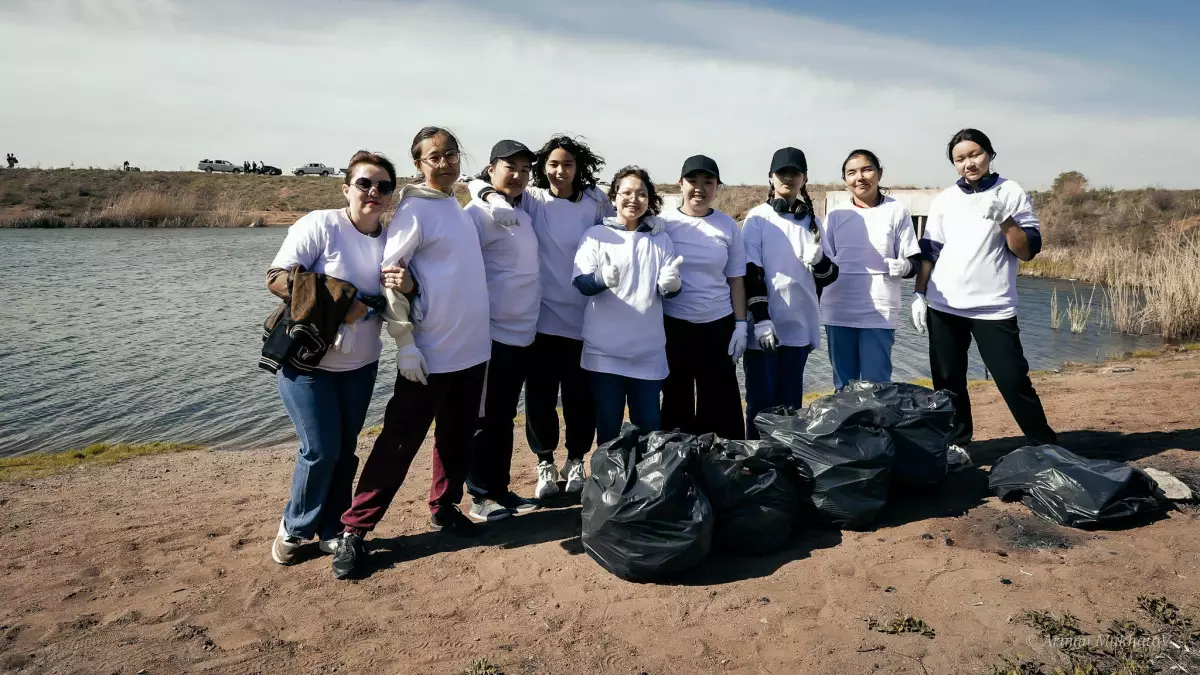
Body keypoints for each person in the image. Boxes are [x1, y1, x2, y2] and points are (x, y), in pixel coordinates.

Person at [333, 127, 492, 580]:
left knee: (456, 437)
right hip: (431, 351)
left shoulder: (456, 206)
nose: (445, 162)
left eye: (451, 154)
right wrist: (404, 344)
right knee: (398, 442)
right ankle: (355, 530)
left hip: (472, 349)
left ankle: (444, 507)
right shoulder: (414, 209)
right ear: (419, 163)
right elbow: (391, 275)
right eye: (434, 156)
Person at [265, 150, 400, 566]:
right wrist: (341, 303)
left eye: (383, 186)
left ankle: (333, 527)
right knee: (319, 449)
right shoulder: (321, 225)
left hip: (361, 365)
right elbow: (277, 279)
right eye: (364, 183)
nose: (373, 191)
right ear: (346, 189)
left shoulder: (392, 240)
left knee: (345, 449)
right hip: (307, 363)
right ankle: (294, 527)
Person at [469, 135, 613, 498]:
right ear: (542, 168)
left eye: (567, 164)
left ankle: (576, 459)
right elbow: (478, 184)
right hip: (541, 320)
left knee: (580, 398)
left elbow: (623, 225)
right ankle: (545, 462)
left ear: (578, 167)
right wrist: (489, 196)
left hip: (585, 319)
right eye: (552, 164)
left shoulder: (595, 200)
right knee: (540, 399)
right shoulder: (532, 198)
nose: (560, 171)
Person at [913, 128, 1056, 457]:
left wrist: (1005, 219)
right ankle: (957, 444)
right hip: (943, 305)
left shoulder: (1011, 192)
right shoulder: (945, 200)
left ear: (989, 154)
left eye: (975, 154)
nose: (969, 163)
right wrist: (919, 295)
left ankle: (1045, 445)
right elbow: (930, 251)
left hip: (992, 307)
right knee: (948, 383)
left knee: (1012, 378)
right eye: (959, 159)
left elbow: (1026, 251)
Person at [462, 140, 542, 522]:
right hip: (491, 334)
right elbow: (462, 271)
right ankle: (480, 496)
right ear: (491, 169)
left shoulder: (520, 211)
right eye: (511, 167)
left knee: (504, 416)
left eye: (525, 170)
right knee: (483, 417)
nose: (518, 175)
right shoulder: (476, 214)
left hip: (523, 334)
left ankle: (500, 489)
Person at [572, 166, 680, 445]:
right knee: (608, 429)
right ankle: (608, 475)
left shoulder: (660, 239)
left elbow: (666, 290)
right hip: (604, 354)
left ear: (649, 199)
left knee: (650, 429)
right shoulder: (595, 235)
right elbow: (581, 283)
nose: (634, 199)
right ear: (614, 197)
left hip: (648, 353)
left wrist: (672, 286)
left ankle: (646, 475)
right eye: (627, 193)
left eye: (641, 194)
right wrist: (600, 279)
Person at [742, 147, 838, 439]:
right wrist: (761, 318)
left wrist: (819, 260)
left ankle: (786, 456)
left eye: (794, 173)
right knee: (761, 401)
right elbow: (750, 271)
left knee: (791, 403)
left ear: (803, 178)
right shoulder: (757, 218)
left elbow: (829, 276)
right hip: (765, 327)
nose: (788, 178)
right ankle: (756, 456)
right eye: (781, 173)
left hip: (799, 327)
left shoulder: (812, 222)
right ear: (771, 177)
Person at [659, 155, 747, 439]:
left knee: (720, 403)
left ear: (717, 186)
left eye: (708, 181)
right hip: (674, 324)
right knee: (676, 399)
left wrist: (741, 325)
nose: (699, 188)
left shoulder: (727, 225)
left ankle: (722, 461)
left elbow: (736, 279)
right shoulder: (663, 223)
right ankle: (678, 459)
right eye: (692, 181)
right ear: (680, 183)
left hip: (717, 324)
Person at [820, 149, 921, 390]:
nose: (860, 177)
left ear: (879, 173)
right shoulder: (836, 214)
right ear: (845, 180)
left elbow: (914, 262)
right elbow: (824, 265)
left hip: (880, 309)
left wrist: (905, 266)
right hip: (839, 308)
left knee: (877, 383)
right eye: (851, 173)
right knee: (844, 385)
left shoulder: (897, 210)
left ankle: (877, 416)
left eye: (867, 170)